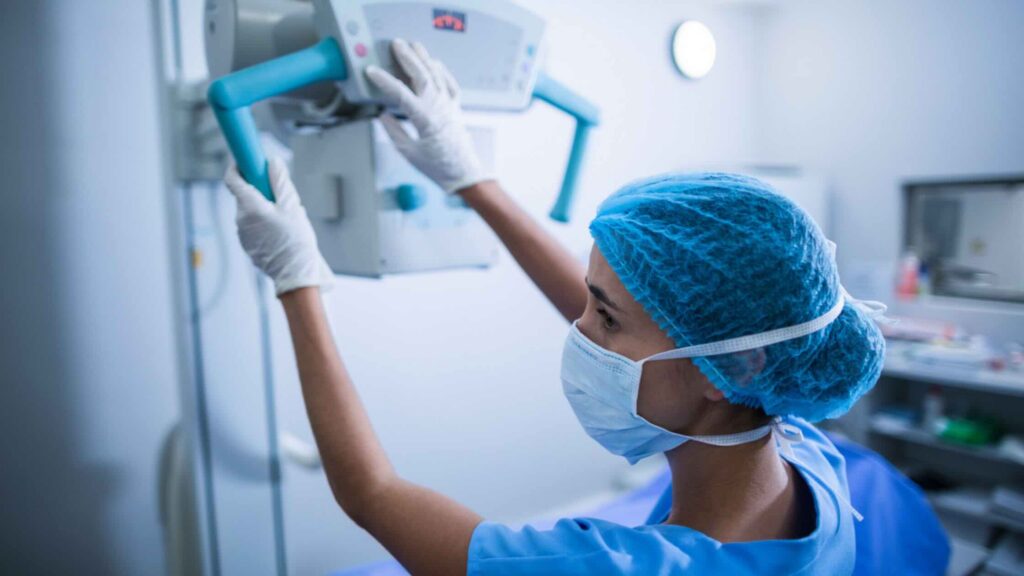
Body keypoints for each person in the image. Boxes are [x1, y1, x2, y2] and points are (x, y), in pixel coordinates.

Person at [223, 39, 886, 575]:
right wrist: (470, 179)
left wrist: (295, 282)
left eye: (604, 319)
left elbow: (373, 494)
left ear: (738, 370)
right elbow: (668, 333)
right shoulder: (806, 456)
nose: (580, 332)